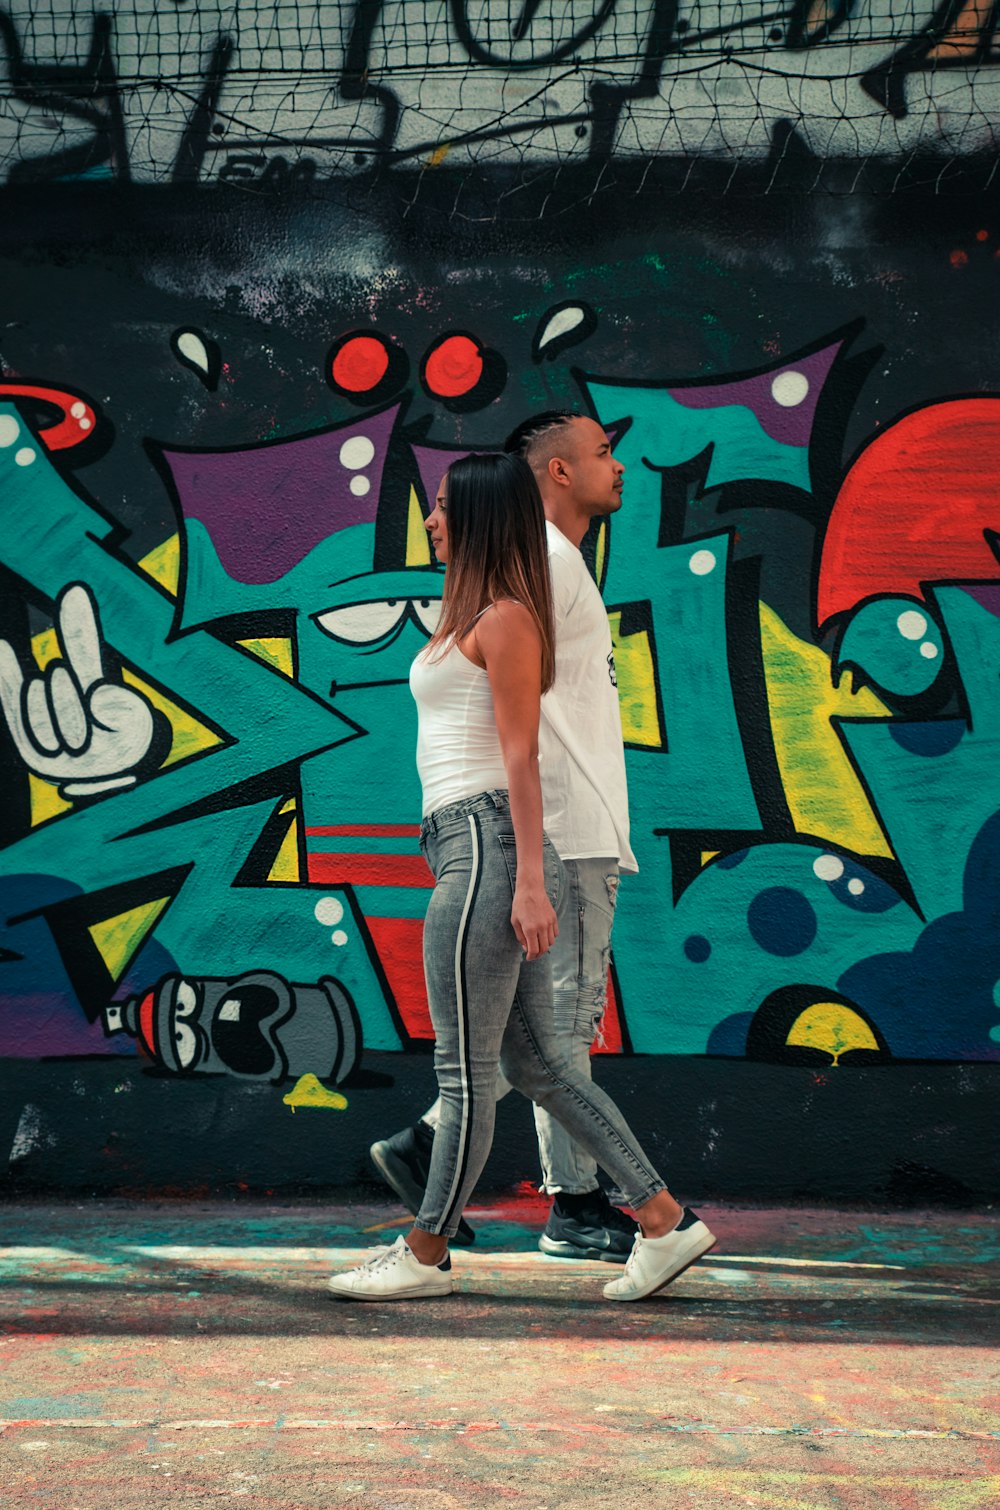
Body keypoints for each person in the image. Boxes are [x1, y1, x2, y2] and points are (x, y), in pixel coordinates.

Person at [328, 451, 715, 1301]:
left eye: (439, 508)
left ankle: (425, 1255)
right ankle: (664, 1221)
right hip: (470, 844)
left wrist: (532, 882)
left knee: (464, 1075)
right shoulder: (473, 611)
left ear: (474, 515)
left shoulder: (504, 617)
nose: (428, 521)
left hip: (483, 848)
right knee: (540, 1067)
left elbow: (521, 757)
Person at [370, 412, 645, 1262]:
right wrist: (537, 860)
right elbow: (519, 731)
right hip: (550, 831)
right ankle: (580, 1205)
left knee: (528, 1038)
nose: (618, 466)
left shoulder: (544, 572)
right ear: (555, 472)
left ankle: (431, 1151)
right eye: (602, 453)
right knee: (559, 1035)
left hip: (532, 834)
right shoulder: (546, 572)